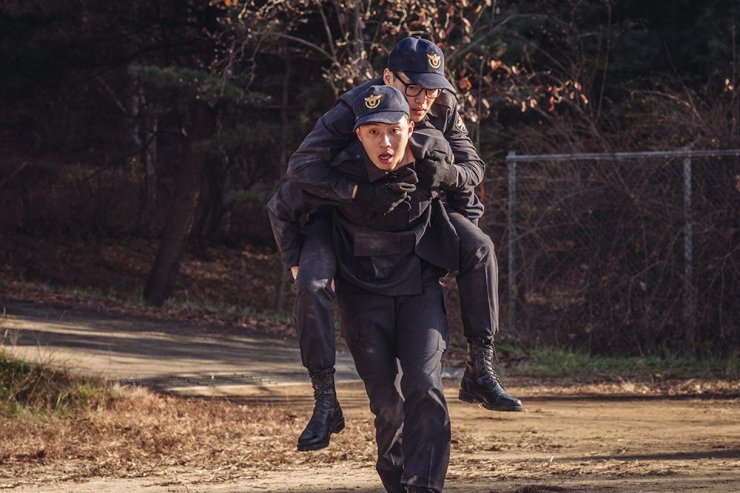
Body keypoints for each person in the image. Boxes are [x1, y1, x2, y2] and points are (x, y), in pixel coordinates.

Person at [286, 36, 522, 453]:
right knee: (312, 285)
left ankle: (480, 368)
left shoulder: (443, 106)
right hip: (338, 216)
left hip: (420, 213)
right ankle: (324, 400)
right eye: (413, 87)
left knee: (480, 248)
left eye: (431, 89)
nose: (422, 99)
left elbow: (473, 169)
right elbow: (301, 169)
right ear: (387, 77)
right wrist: (356, 192)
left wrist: (448, 191)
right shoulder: (354, 108)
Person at [268, 84, 459, 493]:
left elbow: (467, 197)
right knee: (388, 404)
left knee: (424, 386)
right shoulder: (339, 170)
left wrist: (465, 254)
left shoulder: (433, 159)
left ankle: (424, 484)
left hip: (419, 293)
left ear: (411, 126)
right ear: (358, 135)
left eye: (392, 129)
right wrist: (295, 261)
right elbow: (281, 205)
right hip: (362, 296)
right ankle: (395, 478)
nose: (384, 141)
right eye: (372, 132)